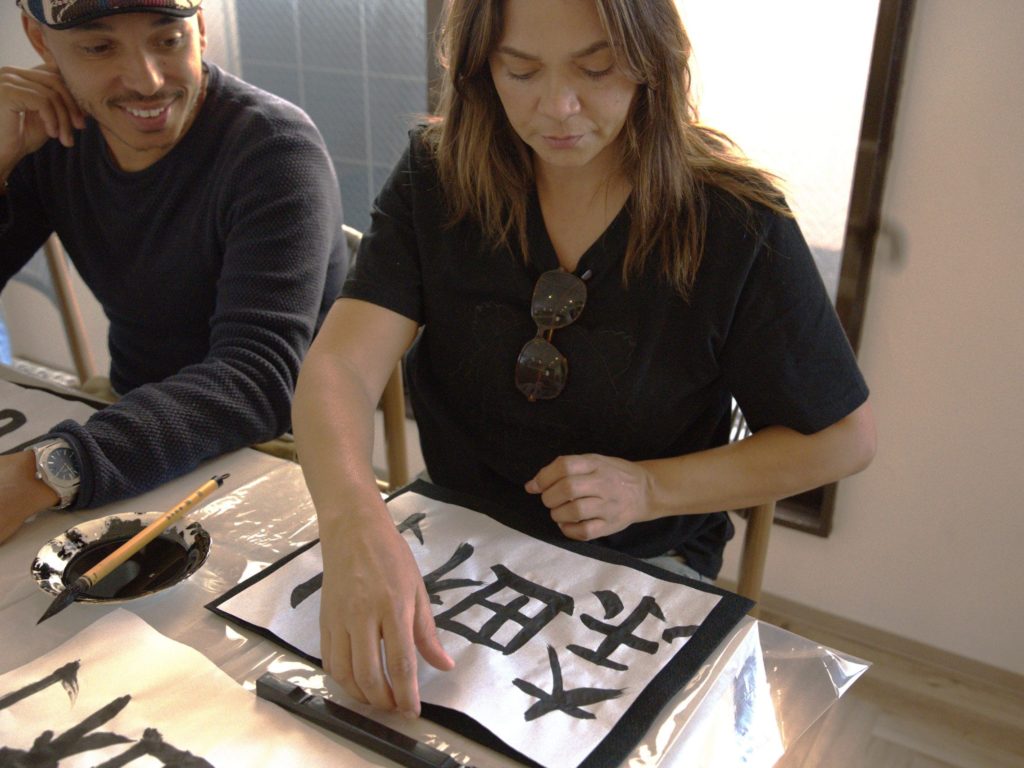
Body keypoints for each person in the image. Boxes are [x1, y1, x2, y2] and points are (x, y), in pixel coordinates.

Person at [292, 0, 876, 719]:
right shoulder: (439, 178)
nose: (558, 107)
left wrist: (648, 490)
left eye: (596, 70)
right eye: (521, 71)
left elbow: (844, 439)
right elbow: (340, 369)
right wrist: (353, 523)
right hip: (462, 545)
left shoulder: (732, 223)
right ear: (481, 71)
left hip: (640, 569)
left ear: (651, 64)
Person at [0, 0, 346, 543]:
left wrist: (42, 473)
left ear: (202, 28)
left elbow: (259, 379)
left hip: (277, 446)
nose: (147, 81)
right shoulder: (51, 133)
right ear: (41, 43)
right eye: (98, 47)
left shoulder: (274, 149)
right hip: (126, 417)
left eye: (169, 41)